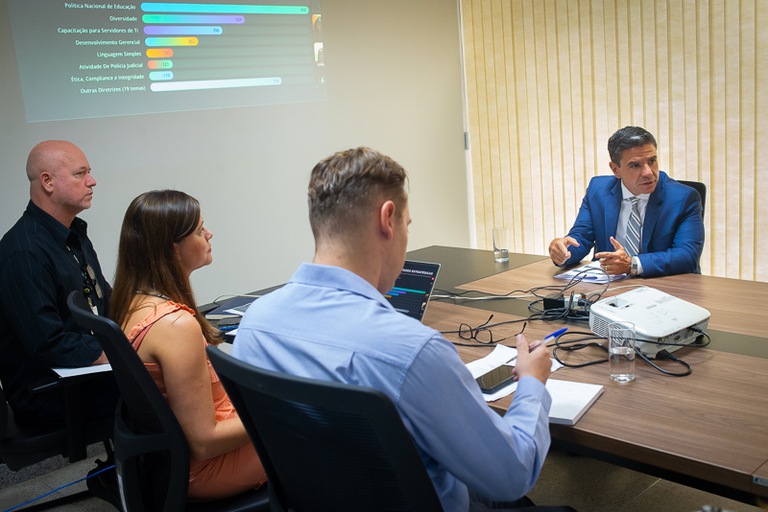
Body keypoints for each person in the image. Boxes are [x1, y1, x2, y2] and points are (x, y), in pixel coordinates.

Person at [233, 147, 563, 511]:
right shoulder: (412, 350)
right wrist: (532, 382)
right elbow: (510, 475)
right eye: (408, 226)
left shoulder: (255, 324)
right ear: (387, 219)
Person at [110, 190, 267, 500]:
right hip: (205, 469)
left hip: (171, 463)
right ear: (173, 249)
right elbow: (204, 442)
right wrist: (274, 412)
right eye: (198, 230)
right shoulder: (175, 327)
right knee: (321, 429)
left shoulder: (132, 302)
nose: (209, 234)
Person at [0, 140, 117, 427]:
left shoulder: (73, 234)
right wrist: (123, 355)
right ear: (47, 182)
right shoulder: (24, 252)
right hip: (49, 393)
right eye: (80, 174)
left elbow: (104, 300)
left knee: (169, 367)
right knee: (165, 388)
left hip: (82, 375)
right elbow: (49, 343)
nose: (92, 181)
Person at [548, 126, 704, 277]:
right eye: (635, 165)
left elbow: (687, 255)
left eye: (652, 161)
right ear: (615, 169)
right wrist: (562, 252)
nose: (648, 172)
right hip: (608, 286)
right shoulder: (598, 190)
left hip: (665, 286)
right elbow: (581, 237)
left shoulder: (684, 197)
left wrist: (632, 264)